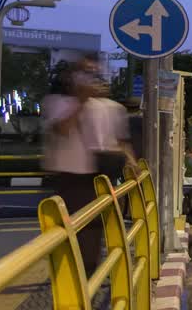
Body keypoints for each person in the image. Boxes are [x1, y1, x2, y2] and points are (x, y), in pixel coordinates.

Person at [42, 58, 135, 276]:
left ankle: (91, 278)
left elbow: (121, 141)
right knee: (70, 235)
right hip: (71, 180)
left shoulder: (113, 108)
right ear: (71, 77)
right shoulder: (57, 103)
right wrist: (81, 101)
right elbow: (62, 130)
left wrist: (131, 163)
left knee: (97, 233)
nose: (90, 77)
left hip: (103, 179)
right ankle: (72, 279)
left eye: (94, 73)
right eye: (84, 72)